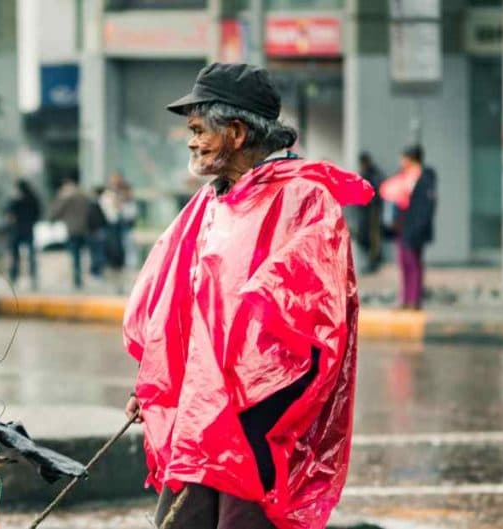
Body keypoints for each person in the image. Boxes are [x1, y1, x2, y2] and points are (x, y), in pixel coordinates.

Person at [122, 62, 373, 529]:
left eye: (200, 130)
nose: (192, 141)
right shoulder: (210, 202)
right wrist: (155, 380)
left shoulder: (303, 200)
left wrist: (254, 414)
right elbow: (179, 305)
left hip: (258, 420)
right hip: (201, 417)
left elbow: (312, 322)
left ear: (236, 133)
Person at [380, 144, 436, 311]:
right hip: (403, 226)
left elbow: (426, 207)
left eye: (404, 158)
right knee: (405, 263)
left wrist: (418, 227)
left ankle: (414, 299)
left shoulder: (424, 178)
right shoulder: (404, 176)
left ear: (411, 159)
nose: (401, 161)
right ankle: (405, 299)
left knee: (413, 263)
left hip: (414, 227)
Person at [51, 174, 101, 289]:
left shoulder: (67, 197)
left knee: (75, 255)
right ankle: (81, 278)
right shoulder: (83, 196)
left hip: (72, 230)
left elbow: (56, 212)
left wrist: (60, 198)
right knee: (83, 254)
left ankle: (77, 280)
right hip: (84, 229)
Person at [5, 180, 42, 290]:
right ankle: (33, 277)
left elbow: (8, 213)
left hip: (16, 229)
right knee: (31, 254)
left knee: (15, 255)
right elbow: (38, 213)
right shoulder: (33, 198)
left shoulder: (15, 200)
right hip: (29, 228)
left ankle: (14, 277)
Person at [356, 152, 385, 273]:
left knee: (373, 237)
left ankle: (373, 262)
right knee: (364, 236)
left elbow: (377, 191)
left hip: (373, 210)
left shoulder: (374, 174)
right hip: (365, 210)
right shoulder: (365, 174)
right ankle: (371, 261)